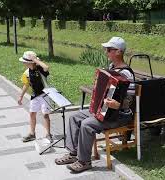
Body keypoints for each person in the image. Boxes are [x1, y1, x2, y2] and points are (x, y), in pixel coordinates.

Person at [55, 37, 134, 173]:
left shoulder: (126, 73)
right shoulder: (111, 68)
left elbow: (130, 100)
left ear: (119, 52)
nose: (106, 52)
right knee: (74, 117)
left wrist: (119, 105)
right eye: (106, 49)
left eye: (109, 50)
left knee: (87, 124)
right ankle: (74, 154)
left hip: (120, 115)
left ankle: (84, 161)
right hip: (105, 111)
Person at [18, 51, 53, 143]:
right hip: (35, 96)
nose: (23, 63)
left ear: (30, 62)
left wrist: (35, 60)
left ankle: (48, 134)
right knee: (32, 114)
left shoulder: (40, 69)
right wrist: (21, 96)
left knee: (45, 115)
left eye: (24, 61)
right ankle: (32, 134)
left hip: (44, 95)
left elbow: (46, 67)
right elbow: (26, 85)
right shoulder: (26, 72)